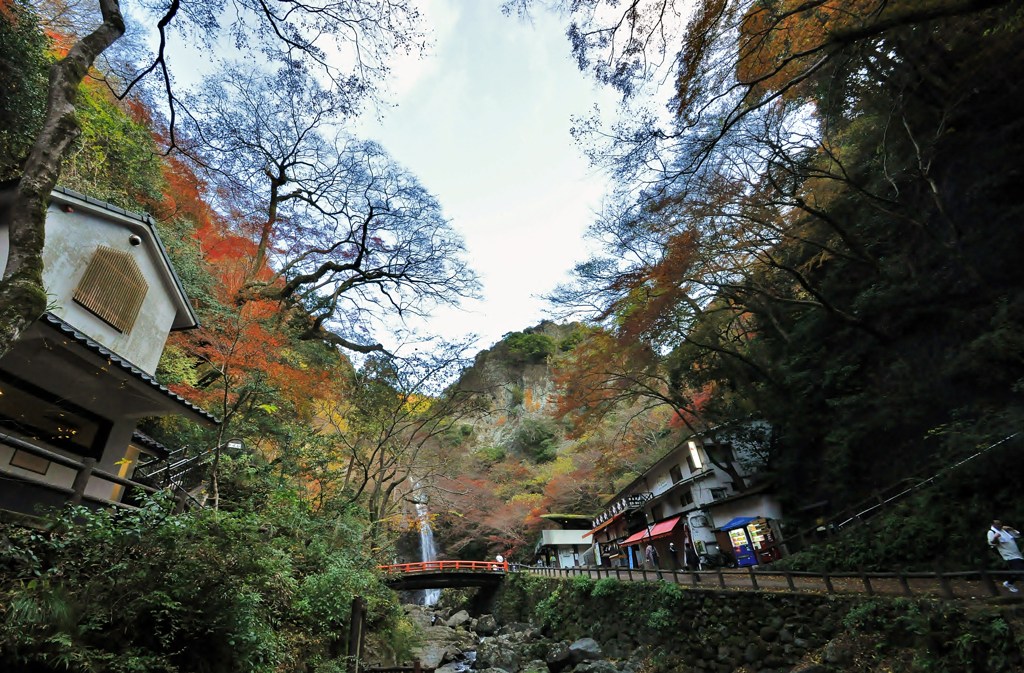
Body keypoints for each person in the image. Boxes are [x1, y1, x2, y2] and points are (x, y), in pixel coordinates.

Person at [987, 519, 1022, 593]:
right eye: (997, 524)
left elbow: (1017, 535)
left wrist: (1011, 529)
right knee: (1019, 571)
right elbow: (992, 543)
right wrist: (995, 537)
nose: (1000, 525)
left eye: (1000, 524)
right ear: (993, 525)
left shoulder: (1005, 530)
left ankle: (1009, 583)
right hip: (1009, 556)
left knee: (1018, 571)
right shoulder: (991, 532)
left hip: (1017, 554)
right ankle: (1009, 583)